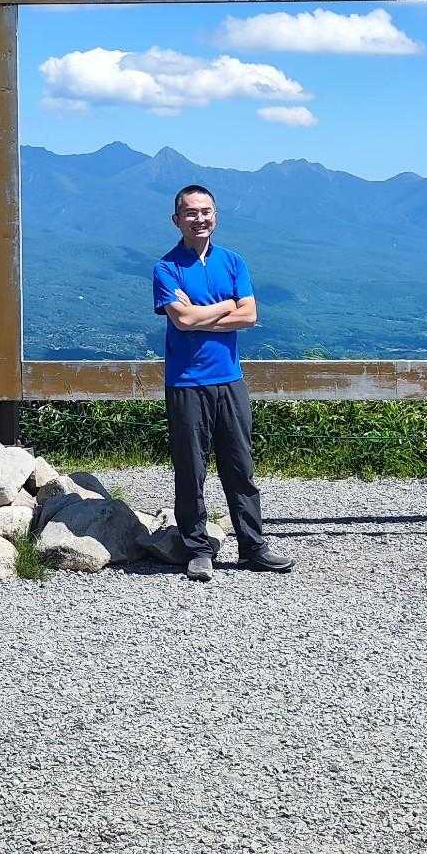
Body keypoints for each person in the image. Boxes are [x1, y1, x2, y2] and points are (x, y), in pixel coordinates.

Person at [151, 184, 292, 582]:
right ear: (176, 220)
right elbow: (183, 320)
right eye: (191, 213)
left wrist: (203, 315)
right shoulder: (166, 268)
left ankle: (252, 546)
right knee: (190, 469)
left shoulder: (233, 262)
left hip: (230, 379)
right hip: (186, 382)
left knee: (239, 466)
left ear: (215, 216)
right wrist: (228, 305)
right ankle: (197, 549)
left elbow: (249, 316)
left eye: (206, 211)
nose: (199, 219)